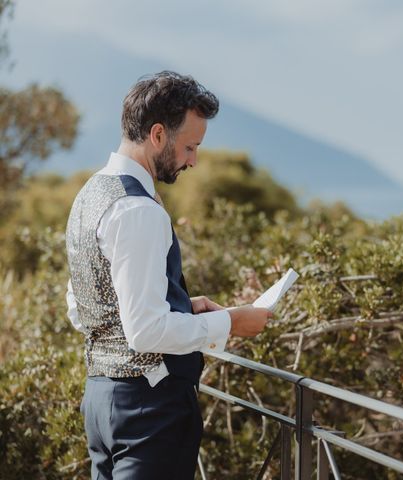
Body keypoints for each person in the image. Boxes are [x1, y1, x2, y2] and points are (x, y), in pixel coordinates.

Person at [65, 71, 271, 480]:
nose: (193, 159)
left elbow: (80, 305)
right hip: (148, 411)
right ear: (157, 135)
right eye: (190, 146)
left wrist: (179, 306)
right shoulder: (137, 209)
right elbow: (143, 332)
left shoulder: (91, 193)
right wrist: (231, 322)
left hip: (102, 401)